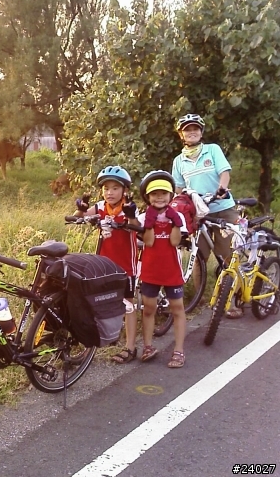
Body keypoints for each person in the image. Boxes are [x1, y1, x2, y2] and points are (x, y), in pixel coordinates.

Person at [171, 113, 242, 318]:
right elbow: (178, 188)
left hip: (222, 208)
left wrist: (222, 188)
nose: (191, 131)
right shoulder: (179, 161)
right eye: (187, 129)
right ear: (181, 134)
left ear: (201, 132)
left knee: (227, 255)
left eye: (195, 128)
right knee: (198, 255)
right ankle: (200, 300)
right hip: (198, 214)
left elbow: (224, 172)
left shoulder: (212, 150)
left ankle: (231, 301)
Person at [74, 165, 140, 364]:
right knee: (98, 300)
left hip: (125, 265)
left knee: (128, 304)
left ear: (124, 191)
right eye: (106, 188)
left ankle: (130, 347)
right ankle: (101, 337)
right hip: (103, 264)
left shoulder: (128, 207)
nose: (109, 192)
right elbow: (78, 219)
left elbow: (137, 227)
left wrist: (130, 217)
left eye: (115, 188)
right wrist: (81, 209)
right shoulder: (101, 207)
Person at [138, 170, 187, 368]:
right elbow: (148, 242)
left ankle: (179, 350)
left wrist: (173, 221)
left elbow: (175, 242)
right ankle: (148, 346)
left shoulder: (178, 217)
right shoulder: (144, 217)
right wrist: (150, 222)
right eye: (154, 194)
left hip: (171, 270)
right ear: (148, 197)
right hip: (150, 270)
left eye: (163, 193)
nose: (159, 197)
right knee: (148, 309)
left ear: (170, 196)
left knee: (177, 309)